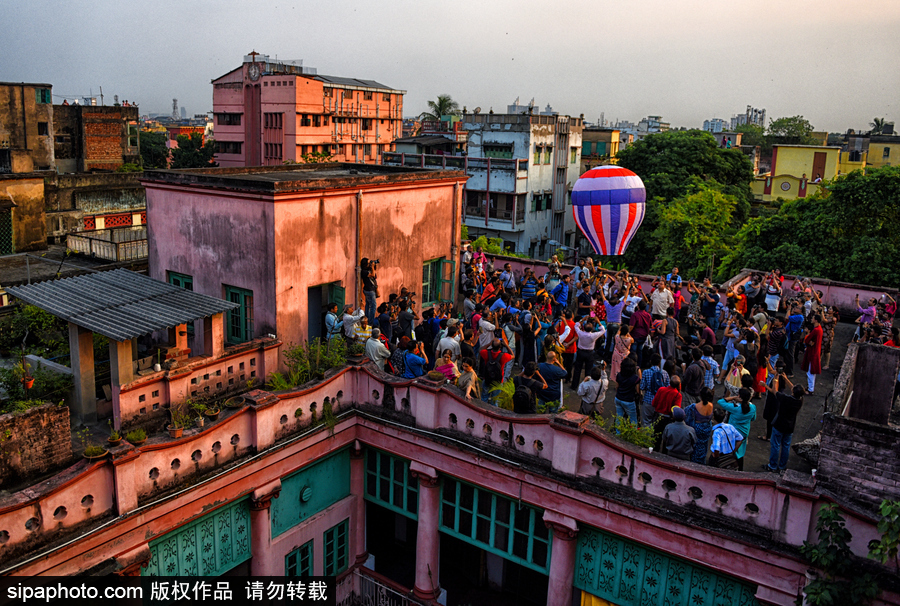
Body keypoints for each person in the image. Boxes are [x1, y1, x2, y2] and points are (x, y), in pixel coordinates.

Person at [764, 373, 804, 473]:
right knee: (786, 446)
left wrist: (775, 380)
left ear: (793, 392)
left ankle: (773, 465)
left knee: (775, 445)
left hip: (779, 424)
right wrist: (786, 379)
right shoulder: (800, 400)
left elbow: (775, 391)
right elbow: (794, 389)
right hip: (790, 426)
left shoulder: (786, 399)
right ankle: (782, 466)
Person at [717, 388, 757, 470]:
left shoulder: (735, 408)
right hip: (744, 433)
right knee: (740, 452)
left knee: (729, 452)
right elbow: (753, 418)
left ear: (739, 397)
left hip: (733, 434)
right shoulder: (753, 408)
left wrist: (733, 397)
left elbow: (720, 401)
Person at [571, 317, 606, 389]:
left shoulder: (580, 333)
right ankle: (587, 386)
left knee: (577, 369)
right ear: (592, 329)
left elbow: (576, 326)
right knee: (588, 370)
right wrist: (598, 322)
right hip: (589, 353)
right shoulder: (593, 335)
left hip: (580, 352)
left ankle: (574, 385)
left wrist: (582, 319)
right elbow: (603, 330)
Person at [684, 387, 715, 464]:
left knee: (695, 447)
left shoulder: (695, 406)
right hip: (707, 429)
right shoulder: (711, 405)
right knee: (704, 446)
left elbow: (685, 413)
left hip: (697, 429)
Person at [639, 353, 669, 428]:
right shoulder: (665, 373)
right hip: (660, 402)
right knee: (657, 423)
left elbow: (642, 387)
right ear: (659, 363)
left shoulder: (646, 372)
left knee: (646, 422)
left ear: (650, 361)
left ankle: (648, 435)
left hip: (648, 400)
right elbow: (668, 387)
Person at [614, 357, 641, 425]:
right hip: (629, 400)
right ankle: (633, 431)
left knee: (619, 417)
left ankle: (618, 430)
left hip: (618, 398)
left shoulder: (619, 375)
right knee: (633, 419)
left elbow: (617, 387)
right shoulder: (635, 378)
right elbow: (638, 391)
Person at [801, 314, 823, 393]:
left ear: (816, 320)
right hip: (815, 351)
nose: (812, 319)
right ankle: (810, 387)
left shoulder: (816, 330)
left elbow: (807, 340)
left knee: (810, 372)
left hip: (812, 352)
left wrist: (809, 342)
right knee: (811, 371)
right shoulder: (819, 329)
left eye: (813, 318)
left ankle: (810, 389)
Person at [360, 258, 379, 325]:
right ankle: (370, 322)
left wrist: (373, 266)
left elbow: (374, 275)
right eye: (368, 263)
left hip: (370, 290)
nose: (369, 264)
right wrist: (372, 267)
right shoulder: (364, 271)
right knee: (373, 307)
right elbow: (372, 275)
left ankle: (367, 319)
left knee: (368, 305)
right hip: (369, 291)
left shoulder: (368, 270)